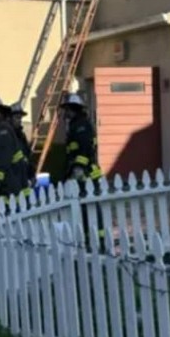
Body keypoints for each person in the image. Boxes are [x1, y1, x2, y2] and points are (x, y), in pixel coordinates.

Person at [60, 92, 106, 248]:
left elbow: (84, 149)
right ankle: (89, 239)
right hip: (81, 172)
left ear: (73, 108)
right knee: (84, 208)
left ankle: (98, 240)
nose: (64, 112)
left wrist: (79, 168)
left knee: (90, 207)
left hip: (86, 173)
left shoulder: (81, 125)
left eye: (66, 109)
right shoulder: (76, 124)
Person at [9, 101, 37, 190]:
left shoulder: (21, 135)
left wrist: (32, 174)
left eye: (20, 118)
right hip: (13, 177)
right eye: (17, 118)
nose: (20, 121)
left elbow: (28, 155)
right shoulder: (8, 135)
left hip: (24, 176)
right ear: (10, 118)